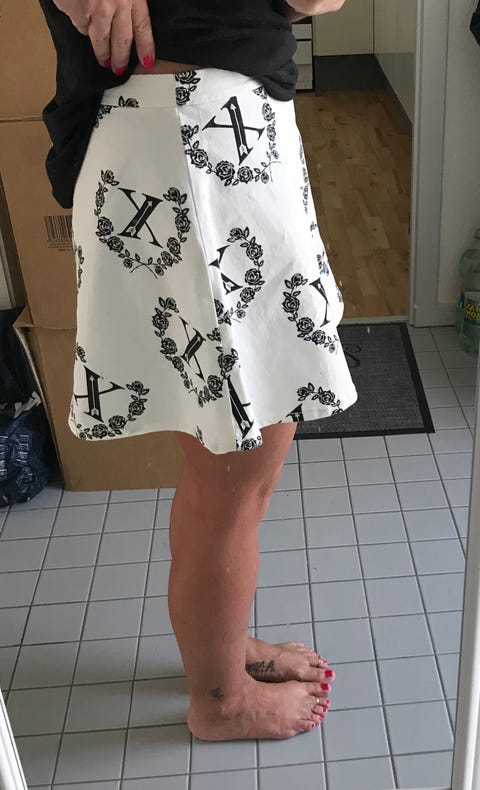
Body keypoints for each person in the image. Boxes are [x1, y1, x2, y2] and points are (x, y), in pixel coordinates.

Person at [40, 0, 357, 741]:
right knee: (235, 482)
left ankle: (221, 646)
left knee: (226, 474)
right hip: (196, 148)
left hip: (196, 138)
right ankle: (220, 701)